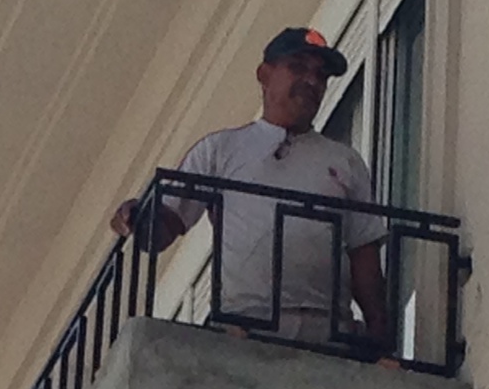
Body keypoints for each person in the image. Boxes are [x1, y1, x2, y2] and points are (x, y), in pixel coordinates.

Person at [107, 27, 390, 347]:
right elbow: (164, 227)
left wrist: (379, 335)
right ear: (264, 75)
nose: (312, 81)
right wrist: (138, 217)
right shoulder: (221, 149)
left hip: (327, 330)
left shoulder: (345, 160)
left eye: (321, 75)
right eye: (298, 67)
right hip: (246, 326)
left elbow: (363, 253)